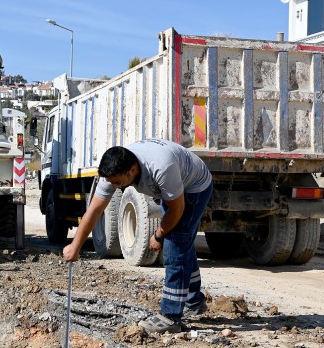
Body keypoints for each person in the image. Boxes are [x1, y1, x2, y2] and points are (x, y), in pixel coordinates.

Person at [62, 139, 213, 334]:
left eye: (117, 182)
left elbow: (177, 209)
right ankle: (194, 301)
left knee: (175, 244)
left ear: (132, 170)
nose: (114, 186)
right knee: (181, 243)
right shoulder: (113, 172)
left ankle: (171, 317)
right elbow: (94, 210)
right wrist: (76, 245)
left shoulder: (161, 167)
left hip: (195, 187)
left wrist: (158, 235)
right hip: (174, 185)